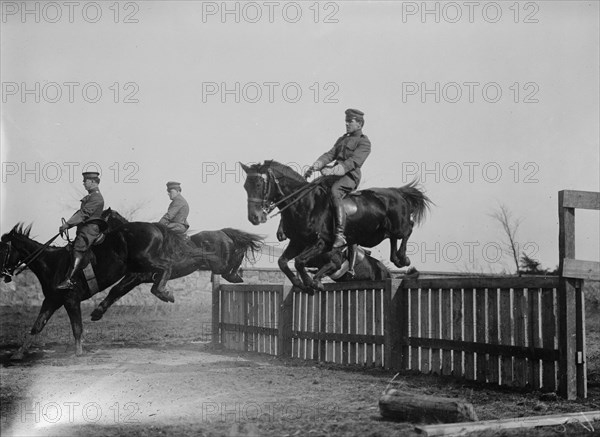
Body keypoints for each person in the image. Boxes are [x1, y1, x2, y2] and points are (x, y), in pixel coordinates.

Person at [304, 108, 371, 248]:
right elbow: (330, 154)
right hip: (334, 174)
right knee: (313, 188)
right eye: (346, 121)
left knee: (335, 191)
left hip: (350, 176)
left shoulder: (364, 142)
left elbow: (353, 162)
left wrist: (332, 170)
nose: (347, 124)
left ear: (359, 124)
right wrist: (317, 165)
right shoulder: (342, 139)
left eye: (350, 121)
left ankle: (340, 234)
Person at [57, 171, 105, 289]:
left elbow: (84, 214)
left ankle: (69, 280)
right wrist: (69, 224)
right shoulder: (91, 196)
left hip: (90, 229)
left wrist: (68, 224)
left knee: (78, 249)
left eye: (85, 181)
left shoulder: (96, 197)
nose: (83, 183)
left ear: (93, 182)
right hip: (86, 228)